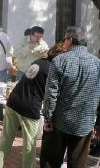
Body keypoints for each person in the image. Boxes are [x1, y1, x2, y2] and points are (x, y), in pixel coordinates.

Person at [0, 43, 64, 168]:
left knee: (5, 139)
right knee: (29, 145)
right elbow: (52, 93)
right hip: (30, 106)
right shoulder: (53, 69)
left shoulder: (39, 61)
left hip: (13, 101)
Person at [40, 26, 100, 168]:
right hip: (85, 122)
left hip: (60, 121)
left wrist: (47, 118)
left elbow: (51, 93)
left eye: (64, 40)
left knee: (50, 161)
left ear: (70, 40)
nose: (63, 43)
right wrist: (97, 123)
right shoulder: (97, 64)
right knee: (78, 163)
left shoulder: (60, 60)